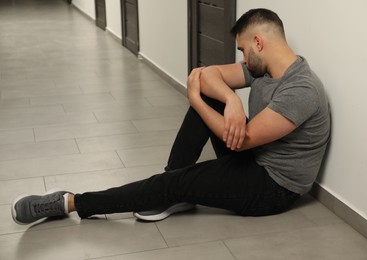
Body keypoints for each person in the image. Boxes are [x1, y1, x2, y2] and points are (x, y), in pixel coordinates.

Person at [11, 8, 330, 225]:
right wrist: (231, 98)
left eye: (244, 50)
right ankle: (172, 187)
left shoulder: (301, 90)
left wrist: (195, 98)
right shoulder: (264, 69)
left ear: (259, 42)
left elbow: (243, 141)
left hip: (272, 187)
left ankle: (69, 202)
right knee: (210, 95)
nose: (243, 58)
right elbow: (205, 76)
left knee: (189, 139)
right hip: (253, 159)